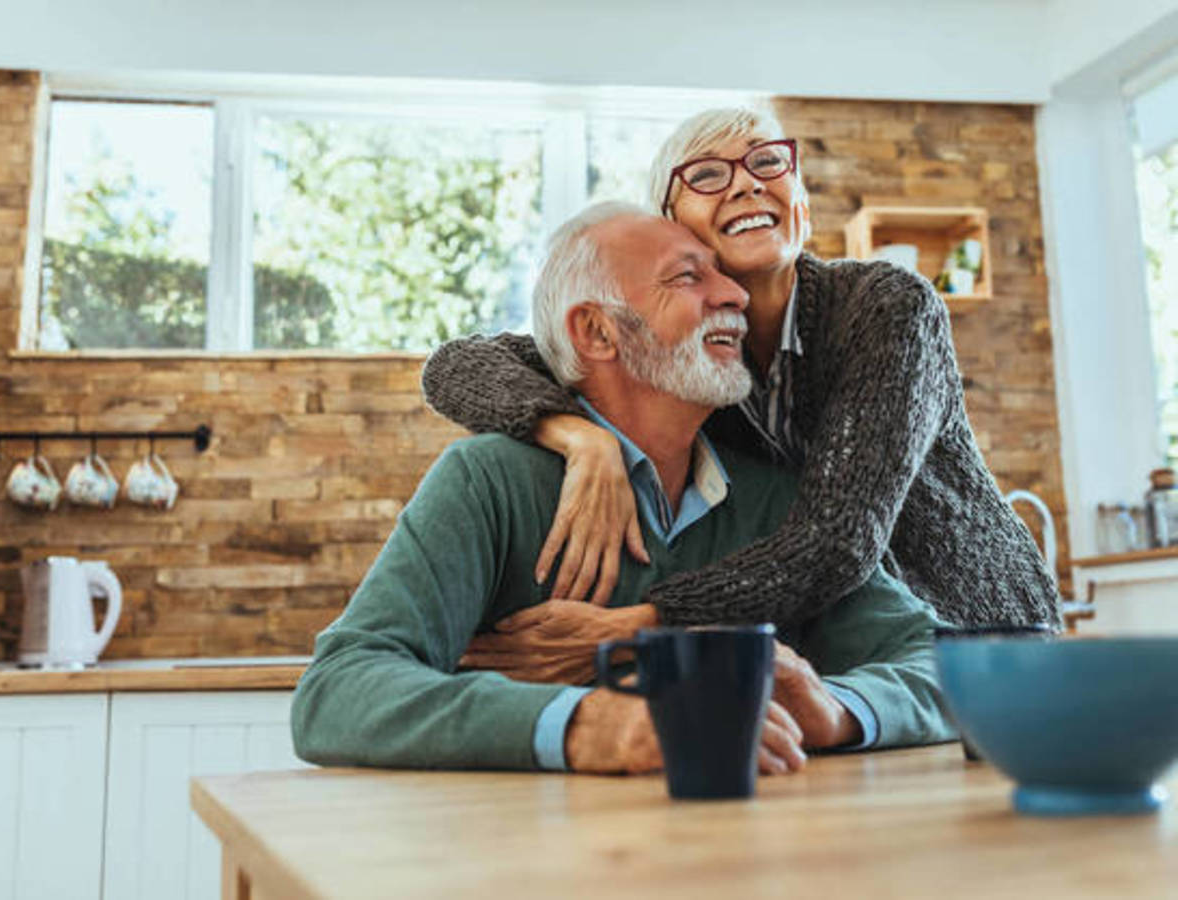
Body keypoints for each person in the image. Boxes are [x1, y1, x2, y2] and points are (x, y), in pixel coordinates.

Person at [291, 203, 954, 774]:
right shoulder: (487, 482)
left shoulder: (778, 503)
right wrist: (592, 725)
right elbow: (337, 691)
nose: (735, 296)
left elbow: (945, 667)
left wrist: (836, 710)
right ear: (598, 331)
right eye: (688, 277)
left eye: (723, 276)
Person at [421, 107, 1061, 665]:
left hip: (975, 637)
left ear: (800, 203)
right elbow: (456, 365)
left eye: (766, 163)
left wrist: (640, 627)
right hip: (838, 652)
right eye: (706, 174)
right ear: (671, 225)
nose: (747, 182)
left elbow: (838, 539)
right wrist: (582, 439)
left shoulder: (887, 307)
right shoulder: (679, 354)